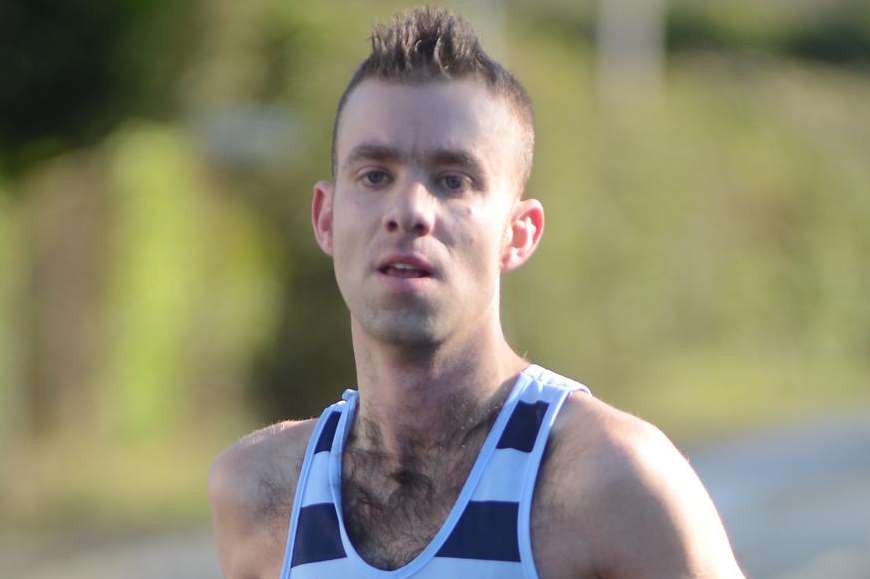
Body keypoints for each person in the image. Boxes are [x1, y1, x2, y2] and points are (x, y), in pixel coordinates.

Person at [208, 6, 745, 579]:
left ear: (519, 234)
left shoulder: (610, 480)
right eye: (374, 175)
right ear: (326, 217)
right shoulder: (260, 493)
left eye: (452, 180)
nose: (410, 211)